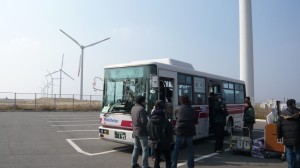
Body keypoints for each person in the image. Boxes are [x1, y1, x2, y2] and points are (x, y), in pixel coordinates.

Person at [171, 95, 197, 168]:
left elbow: (177, 120)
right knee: (190, 150)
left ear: (181, 101)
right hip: (189, 131)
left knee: (176, 150)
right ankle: (190, 166)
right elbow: (195, 121)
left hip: (180, 131)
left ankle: (173, 166)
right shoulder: (193, 110)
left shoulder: (178, 110)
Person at [147, 100, 173, 168]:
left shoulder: (150, 120)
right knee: (168, 159)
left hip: (155, 143)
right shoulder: (165, 120)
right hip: (165, 143)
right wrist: (170, 140)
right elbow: (170, 131)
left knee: (157, 159)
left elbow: (148, 130)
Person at [277, 99, 300, 168]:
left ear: (287, 104)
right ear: (293, 104)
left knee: (289, 152)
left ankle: (290, 166)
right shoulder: (299, 112)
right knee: (298, 151)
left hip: (287, 136)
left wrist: (279, 136)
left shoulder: (282, 113)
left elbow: (278, 126)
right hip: (298, 136)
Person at [131, 95, 150, 168]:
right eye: (145, 101)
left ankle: (133, 163)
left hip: (135, 131)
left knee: (136, 147)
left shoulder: (133, 108)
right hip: (142, 131)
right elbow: (144, 122)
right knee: (145, 149)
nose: (145, 103)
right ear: (142, 102)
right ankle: (145, 165)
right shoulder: (141, 109)